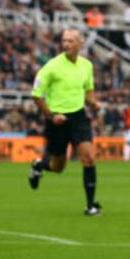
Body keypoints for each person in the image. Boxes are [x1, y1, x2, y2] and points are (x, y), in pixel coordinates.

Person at [28, 28, 102, 215]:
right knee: (58, 167)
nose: (66, 44)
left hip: (78, 117)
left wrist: (94, 104)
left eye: (71, 40)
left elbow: (89, 90)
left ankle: (91, 205)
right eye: (64, 40)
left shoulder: (87, 65)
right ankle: (39, 165)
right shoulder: (51, 66)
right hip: (57, 119)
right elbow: (36, 95)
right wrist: (51, 115)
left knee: (89, 157)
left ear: (80, 44)